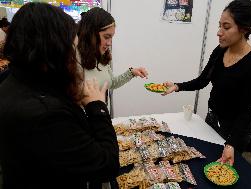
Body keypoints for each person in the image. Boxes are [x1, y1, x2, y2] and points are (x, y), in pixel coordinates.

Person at [0, 3, 119, 189]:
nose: (74, 57)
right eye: (72, 49)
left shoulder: (13, 81)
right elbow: (107, 165)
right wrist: (97, 106)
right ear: (53, 49)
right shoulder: (45, 113)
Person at [162, 0, 251, 165]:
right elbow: (202, 80)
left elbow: (246, 111)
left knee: (222, 170)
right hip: (212, 119)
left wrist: (231, 143)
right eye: (219, 26)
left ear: (245, 29)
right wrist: (177, 86)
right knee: (203, 162)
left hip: (235, 131)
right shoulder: (220, 51)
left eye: (226, 27)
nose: (219, 32)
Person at [77, 7, 148, 95]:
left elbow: (111, 83)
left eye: (111, 37)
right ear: (90, 34)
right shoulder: (74, 59)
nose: (109, 43)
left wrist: (131, 73)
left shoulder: (102, 56)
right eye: (106, 37)